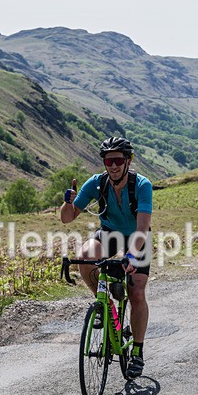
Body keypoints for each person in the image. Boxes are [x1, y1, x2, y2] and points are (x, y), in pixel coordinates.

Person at [61, 137, 153, 379]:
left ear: (127, 161)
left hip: (137, 237)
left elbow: (143, 228)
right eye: (108, 160)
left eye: (118, 160)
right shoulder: (97, 183)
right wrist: (67, 203)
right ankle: (105, 305)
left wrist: (132, 256)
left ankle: (137, 351)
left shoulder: (142, 185)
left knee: (137, 292)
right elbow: (68, 218)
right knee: (84, 256)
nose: (112, 166)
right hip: (109, 233)